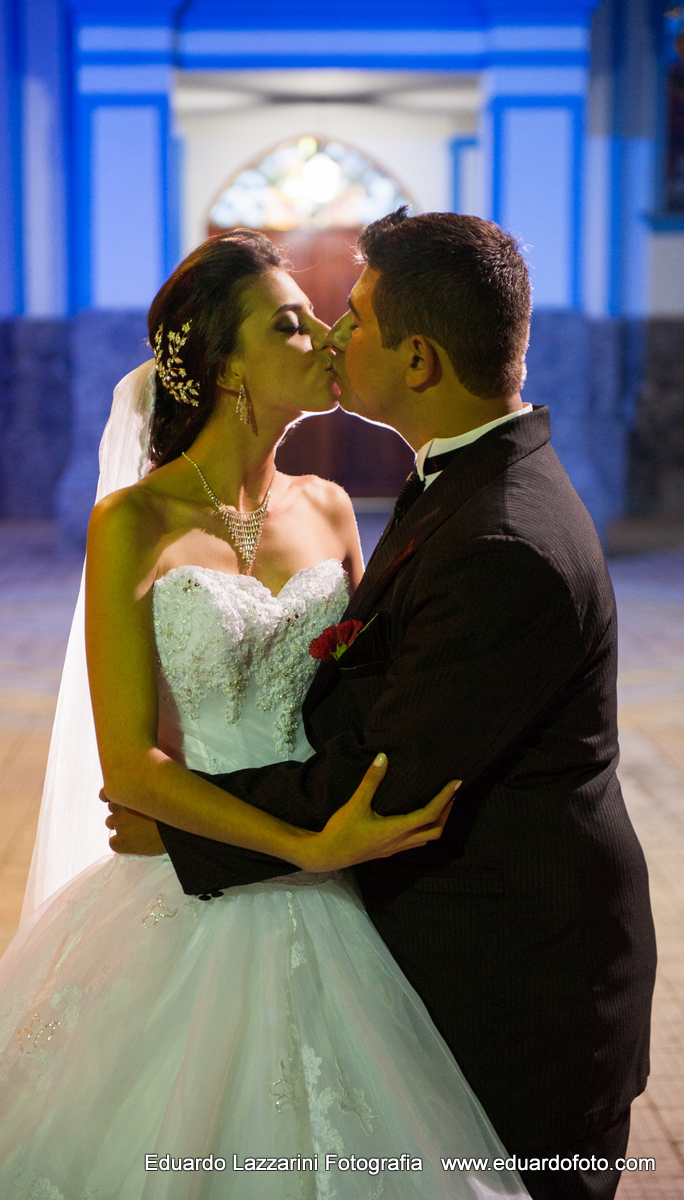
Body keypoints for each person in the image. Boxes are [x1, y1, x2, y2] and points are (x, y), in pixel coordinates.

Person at [0, 230, 529, 1200]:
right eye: (289, 323)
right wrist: (307, 850)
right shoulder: (133, 524)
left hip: (334, 874)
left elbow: (362, 699)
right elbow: (133, 774)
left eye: (317, 317)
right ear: (225, 366)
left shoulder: (329, 507)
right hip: (188, 882)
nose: (325, 335)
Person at [108, 211, 657, 1200]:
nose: (327, 335)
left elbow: (386, 772)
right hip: (382, 913)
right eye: (299, 321)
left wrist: (178, 827)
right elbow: (353, 683)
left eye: (347, 316)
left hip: (513, 978)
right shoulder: (463, 485)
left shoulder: (495, 537)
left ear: (414, 358)